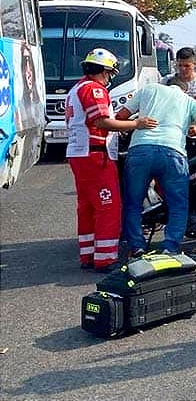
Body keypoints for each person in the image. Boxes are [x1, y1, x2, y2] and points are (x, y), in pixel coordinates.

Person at [65, 48, 158, 272]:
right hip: (95, 154)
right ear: (105, 71)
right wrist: (137, 124)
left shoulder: (76, 88)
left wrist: (122, 127)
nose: (110, 78)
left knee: (87, 207)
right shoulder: (94, 90)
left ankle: (88, 255)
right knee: (109, 206)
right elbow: (102, 122)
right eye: (110, 73)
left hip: (80, 153)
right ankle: (105, 259)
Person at [118, 79, 196, 257]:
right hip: (173, 153)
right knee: (178, 204)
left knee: (133, 202)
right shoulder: (189, 101)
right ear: (183, 89)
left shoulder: (147, 90)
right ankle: (170, 247)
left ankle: (137, 247)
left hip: (141, 150)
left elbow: (120, 116)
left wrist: (133, 125)